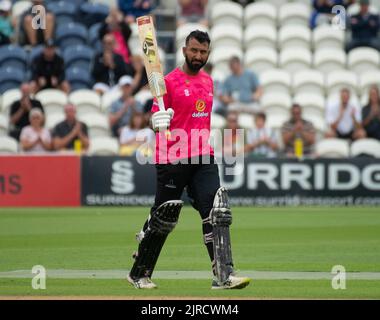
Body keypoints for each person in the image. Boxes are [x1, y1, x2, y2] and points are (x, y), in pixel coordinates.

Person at [127, 30, 250, 290]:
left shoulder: (208, 82)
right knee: (164, 216)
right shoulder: (167, 82)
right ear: (184, 50)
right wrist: (157, 123)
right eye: (194, 50)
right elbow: (154, 118)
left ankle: (223, 275)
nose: (198, 55)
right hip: (172, 155)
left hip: (203, 155)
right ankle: (139, 273)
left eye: (203, 52)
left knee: (217, 211)